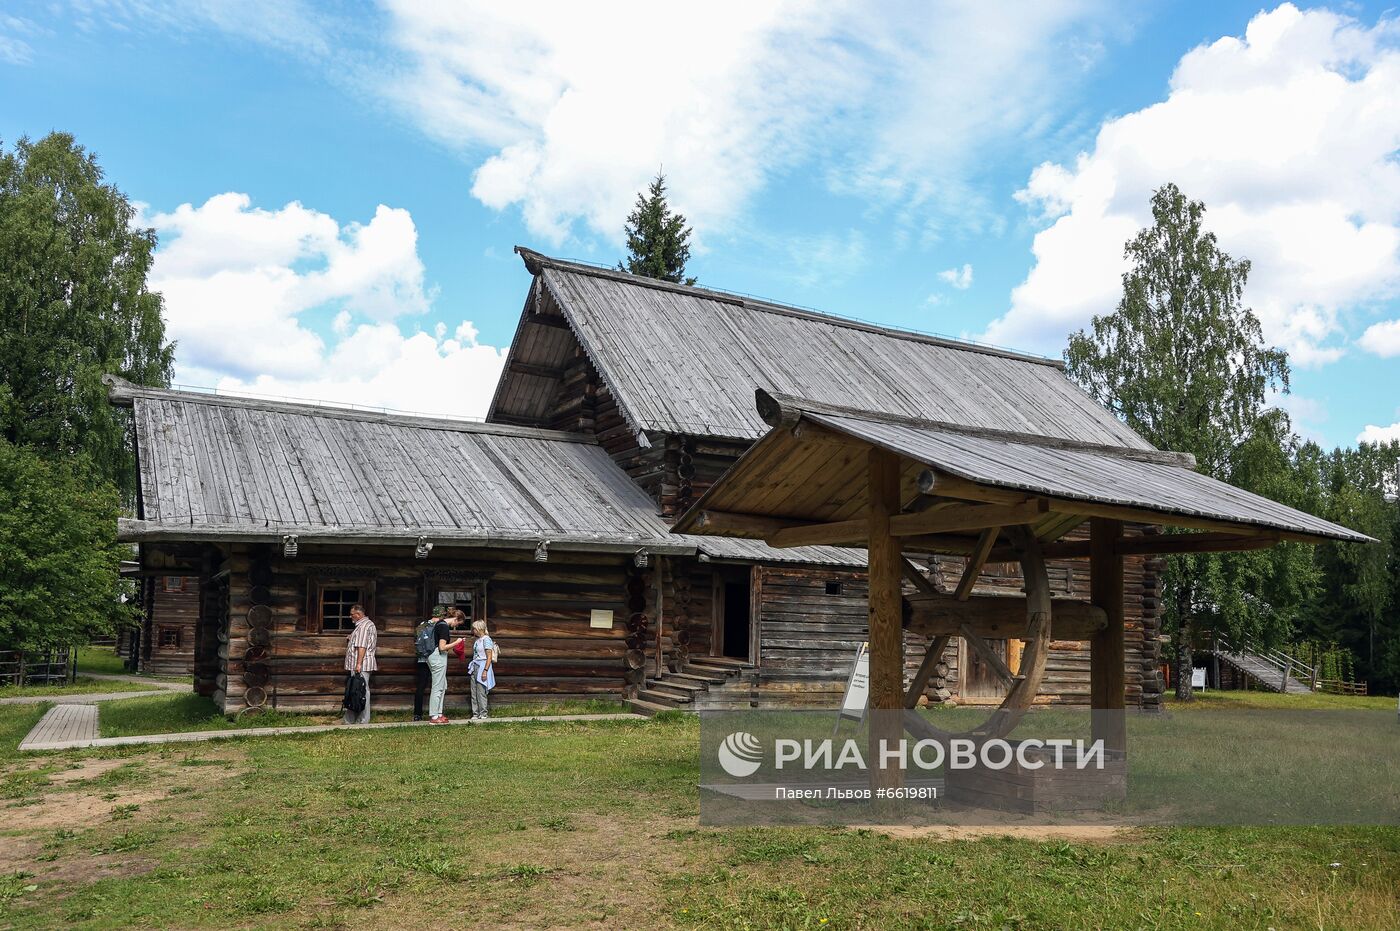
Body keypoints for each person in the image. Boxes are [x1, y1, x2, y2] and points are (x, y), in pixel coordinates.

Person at [428, 609, 466, 725]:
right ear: (456, 619)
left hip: (435, 657)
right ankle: (434, 716)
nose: (456, 626)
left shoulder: (439, 624)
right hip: (438, 657)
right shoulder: (444, 626)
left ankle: (439, 713)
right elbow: (442, 647)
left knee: (442, 685)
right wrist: (457, 642)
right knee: (437, 687)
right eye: (458, 624)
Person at [343, 604, 378, 725]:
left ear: (358, 614)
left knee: (362, 691)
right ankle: (352, 719)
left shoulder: (363, 626)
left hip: (361, 664)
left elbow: (362, 646)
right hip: (361, 663)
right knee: (357, 691)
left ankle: (363, 720)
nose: (350, 616)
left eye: (352, 614)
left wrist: (358, 664)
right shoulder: (364, 625)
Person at [413, 606, 446, 721]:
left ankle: (417, 714)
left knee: (421, 686)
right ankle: (436, 713)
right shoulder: (438, 625)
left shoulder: (422, 624)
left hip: (421, 658)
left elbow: (415, 639)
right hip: (432, 657)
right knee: (437, 685)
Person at [469, 619, 496, 721]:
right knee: (474, 691)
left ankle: (483, 713)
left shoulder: (487, 639)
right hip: (475, 666)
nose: (473, 631)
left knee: (481, 691)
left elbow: (489, 656)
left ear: (479, 629)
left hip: (483, 666)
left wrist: (485, 670)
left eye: (474, 629)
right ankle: (475, 713)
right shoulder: (477, 640)